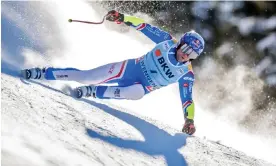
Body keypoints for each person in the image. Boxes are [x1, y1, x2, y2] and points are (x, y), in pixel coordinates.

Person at [21, 10, 205, 135]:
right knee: (86, 76)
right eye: (186, 49)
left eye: (193, 54)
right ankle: (43, 73)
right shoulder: (166, 41)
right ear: (181, 43)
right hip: (128, 69)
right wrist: (122, 17)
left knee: (137, 93)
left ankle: (93, 91)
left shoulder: (186, 73)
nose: (186, 56)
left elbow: (187, 99)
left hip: (137, 87)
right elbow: (142, 26)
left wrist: (189, 120)